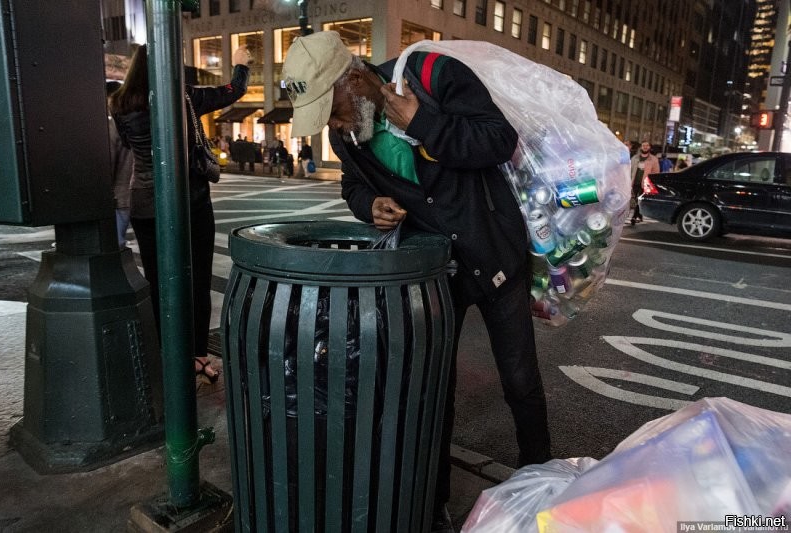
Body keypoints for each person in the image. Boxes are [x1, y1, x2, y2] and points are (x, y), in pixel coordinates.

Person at [282, 31, 552, 533]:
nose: (335, 125)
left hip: (494, 253)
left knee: (520, 379)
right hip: (436, 270)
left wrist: (425, 122)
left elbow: (499, 139)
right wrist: (370, 206)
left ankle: (539, 482)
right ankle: (434, 501)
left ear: (357, 79)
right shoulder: (350, 134)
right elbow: (353, 185)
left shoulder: (431, 75)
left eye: (335, 108)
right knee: (434, 386)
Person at [111, 43, 250, 383]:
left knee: (158, 280)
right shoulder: (182, 97)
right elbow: (233, 91)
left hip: (144, 202)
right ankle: (198, 356)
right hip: (189, 200)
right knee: (198, 278)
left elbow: (129, 146)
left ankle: (166, 353)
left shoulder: (119, 103)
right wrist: (240, 65)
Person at [106, 80, 134, 249]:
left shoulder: (112, 125)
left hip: (118, 195)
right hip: (136, 192)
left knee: (114, 244)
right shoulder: (134, 121)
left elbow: (109, 163)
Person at [629, 140, 659, 225]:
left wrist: (653, 182)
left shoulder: (653, 159)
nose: (645, 147)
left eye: (647, 145)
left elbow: (656, 172)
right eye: (643, 145)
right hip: (634, 182)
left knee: (640, 199)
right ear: (641, 147)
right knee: (635, 199)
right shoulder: (635, 158)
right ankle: (639, 213)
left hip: (646, 183)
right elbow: (630, 170)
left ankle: (634, 217)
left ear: (649, 147)